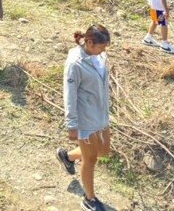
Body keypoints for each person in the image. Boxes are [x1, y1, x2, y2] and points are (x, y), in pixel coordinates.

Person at [57, 24, 111, 211]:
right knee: (91, 160)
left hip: (101, 113)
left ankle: (68, 156)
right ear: (89, 42)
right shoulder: (75, 63)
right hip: (84, 118)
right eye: (101, 47)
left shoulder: (99, 56)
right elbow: (69, 94)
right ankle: (89, 199)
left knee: (103, 151)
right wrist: (72, 124)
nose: (103, 50)